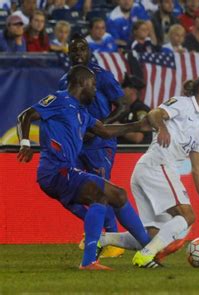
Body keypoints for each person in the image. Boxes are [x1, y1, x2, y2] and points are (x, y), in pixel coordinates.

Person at [17, 65, 152, 270]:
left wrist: (137, 126)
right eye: (93, 85)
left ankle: (149, 249)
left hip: (64, 171)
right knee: (102, 195)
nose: (96, 90)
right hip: (55, 170)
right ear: (82, 83)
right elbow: (25, 116)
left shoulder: (82, 112)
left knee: (117, 196)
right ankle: (91, 261)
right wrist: (25, 143)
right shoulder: (59, 99)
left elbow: (104, 131)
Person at [95, 75, 199, 268]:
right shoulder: (183, 104)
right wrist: (162, 127)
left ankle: (103, 240)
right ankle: (145, 256)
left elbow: (198, 168)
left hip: (150, 170)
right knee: (187, 217)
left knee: (152, 235)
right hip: (158, 165)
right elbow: (154, 114)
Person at [59, 34, 129, 258]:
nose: (78, 53)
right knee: (74, 192)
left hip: (100, 144)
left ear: (89, 52)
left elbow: (123, 105)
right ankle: (97, 232)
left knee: (101, 190)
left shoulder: (102, 76)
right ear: (68, 54)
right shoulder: (65, 80)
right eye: (74, 50)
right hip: (77, 144)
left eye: (82, 49)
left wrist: (101, 127)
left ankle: (113, 239)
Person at [117, 74, 152, 145]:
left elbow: (138, 138)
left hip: (137, 153)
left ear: (132, 91)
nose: (121, 91)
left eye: (124, 88)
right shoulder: (124, 111)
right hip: (122, 153)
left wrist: (118, 129)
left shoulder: (141, 110)